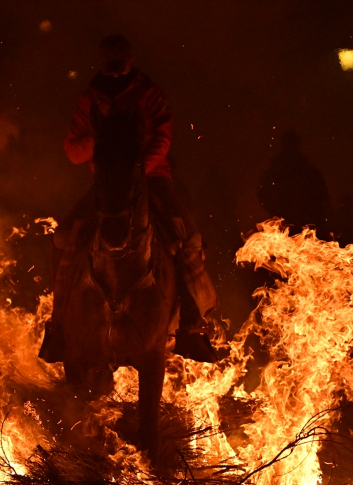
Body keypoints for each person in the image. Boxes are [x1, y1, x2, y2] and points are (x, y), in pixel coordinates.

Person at [40, 35, 219, 364]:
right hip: (106, 184)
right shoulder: (89, 99)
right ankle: (59, 324)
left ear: (130, 59)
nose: (113, 66)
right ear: (100, 60)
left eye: (118, 60)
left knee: (188, 238)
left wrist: (136, 172)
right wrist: (101, 145)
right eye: (108, 60)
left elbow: (162, 138)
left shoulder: (149, 93)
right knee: (64, 237)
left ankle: (192, 327)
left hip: (153, 179)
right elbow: (73, 149)